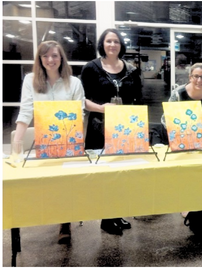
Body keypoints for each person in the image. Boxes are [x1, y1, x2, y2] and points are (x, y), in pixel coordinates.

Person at [13, 40, 85, 244]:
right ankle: (48, 214)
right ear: (40, 59)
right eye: (46, 56)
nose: (50, 60)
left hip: (68, 140)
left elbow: (78, 114)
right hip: (44, 141)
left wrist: (76, 143)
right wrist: (16, 145)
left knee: (66, 182)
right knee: (46, 181)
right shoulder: (30, 80)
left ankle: (64, 223)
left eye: (55, 55)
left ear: (61, 58)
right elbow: (26, 111)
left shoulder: (74, 83)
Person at [80, 28, 143, 235]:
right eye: (108, 41)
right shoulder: (91, 68)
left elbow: (138, 99)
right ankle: (106, 219)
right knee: (105, 173)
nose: (112, 45)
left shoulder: (132, 69)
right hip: (100, 126)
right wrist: (101, 107)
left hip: (125, 128)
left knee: (122, 173)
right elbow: (83, 101)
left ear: (121, 45)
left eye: (116, 41)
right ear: (102, 44)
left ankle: (116, 213)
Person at [160, 62, 202, 220]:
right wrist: (179, 136)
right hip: (178, 136)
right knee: (181, 171)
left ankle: (195, 203)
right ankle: (183, 204)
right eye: (196, 76)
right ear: (190, 77)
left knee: (198, 171)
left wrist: (201, 139)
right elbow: (167, 118)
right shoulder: (178, 93)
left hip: (198, 137)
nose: (199, 80)